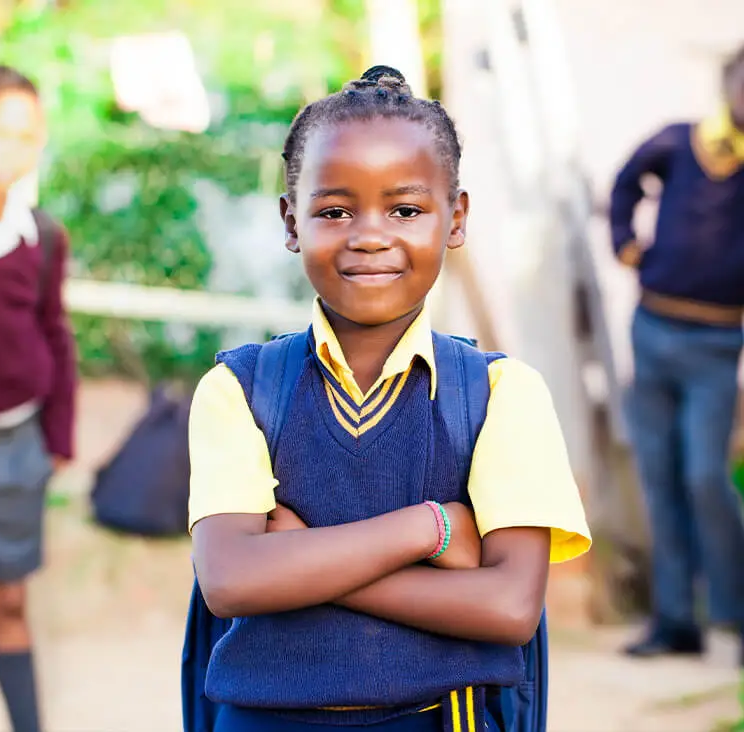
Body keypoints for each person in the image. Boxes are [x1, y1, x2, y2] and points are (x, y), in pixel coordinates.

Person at [188, 65, 591, 731]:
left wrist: (301, 557)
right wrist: (429, 528)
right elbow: (231, 582)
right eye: (334, 211)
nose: (370, 234)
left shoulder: (499, 395)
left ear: (455, 218)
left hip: (440, 719)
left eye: (405, 209)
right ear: (292, 222)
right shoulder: (240, 389)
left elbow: (510, 607)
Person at [610, 44, 744, 663]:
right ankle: (674, 623)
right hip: (653, 329)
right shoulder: (679, 141)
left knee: (705, 477)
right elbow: (624, 182)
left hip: (719, 342)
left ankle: (735, 617)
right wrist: (624, 242)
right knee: (660, 477)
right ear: (727, 87)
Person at [0, 65, 76, 731]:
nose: (13, 149)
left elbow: (55, 334)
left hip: (13, 449)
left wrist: (58, 441)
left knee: (6, 602)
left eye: (28, 136)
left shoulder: (41, 238)